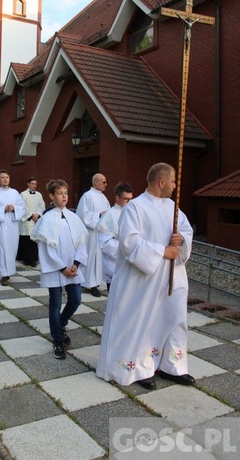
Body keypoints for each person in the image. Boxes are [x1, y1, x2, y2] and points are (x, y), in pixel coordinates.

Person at [96, 162, 195, 390]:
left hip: (174, 275)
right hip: (143, 278)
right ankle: (140, 367)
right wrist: (163, 251)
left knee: (176, 319)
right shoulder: (135, 208)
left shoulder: (174, 207)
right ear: (161, 182)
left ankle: (173, 366)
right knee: (144, 322)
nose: (174, 186)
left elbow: (186, 231)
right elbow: (129, 243)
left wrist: (181, 241)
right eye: (172, 182)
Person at [31, 179, 88, 359]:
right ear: (51, 196)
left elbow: (80, 243)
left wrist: (76, 264)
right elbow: (46, 249)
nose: (64, 196)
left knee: (76, 300)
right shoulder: (46, 219)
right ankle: (57, 339)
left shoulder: (73, 217)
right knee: (55, 303)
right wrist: (62, 267)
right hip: (56, 269)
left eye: (66, 193)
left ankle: (60, 324)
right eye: (60, 193)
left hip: (72, 268)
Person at [0, 169, 26, 286]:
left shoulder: (15, 193)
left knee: (11, 247)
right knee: (2, 248)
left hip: (12, 225)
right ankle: (4, 274)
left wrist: (14, 208)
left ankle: (9, 271)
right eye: (3, 177)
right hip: (0, 225)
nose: (5, 179)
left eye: (7, 177)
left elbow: (22, 207)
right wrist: (3, 209)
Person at [76, 173, 110, 297]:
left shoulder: (103, 197)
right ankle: (89, 283)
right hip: (90, 234)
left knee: (100, 259)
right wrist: (98, 216)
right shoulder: (87, 196)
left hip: (100, 233)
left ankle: (98, 283)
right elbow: (82, 215)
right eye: (104, 182)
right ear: (96, 182)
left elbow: (108, 213)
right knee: (90, 258)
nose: (106, 184)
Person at [97, 182, 134, 291]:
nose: (129, 202)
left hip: (131, 264)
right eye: (126, 199)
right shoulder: (110, 215)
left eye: (131, 199)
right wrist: (126, 247)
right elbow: (104, 243)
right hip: (115, 265)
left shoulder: (132, 214)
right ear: (117, 198)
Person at [17, 177, 45, 266]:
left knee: (34, 240)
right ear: (28, 184)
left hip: (36, 220)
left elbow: (42, 206)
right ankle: (27, 259)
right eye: (32, 183)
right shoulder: (23, 194)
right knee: (26, 241)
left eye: (35, 184)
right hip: (27, 221)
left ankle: (34, 258)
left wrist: (38, 215)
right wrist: (31, 216)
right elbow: (22, 207)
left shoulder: (39, 194)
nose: (34, 185)